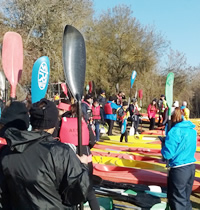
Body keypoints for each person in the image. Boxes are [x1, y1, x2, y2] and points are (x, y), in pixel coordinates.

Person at [0, 98, 90, 209]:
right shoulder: (61, 152)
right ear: (53, 125)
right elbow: (76, 194)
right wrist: (83, 166)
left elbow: (3, 195)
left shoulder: (8, 151)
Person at [60, 103, 100, 210]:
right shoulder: (84, 123)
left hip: (68, 160)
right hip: (86, 159)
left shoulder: (62, 122)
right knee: (89, 190)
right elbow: (92, 141)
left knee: (69, 189)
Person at [161, 107, 196, 210]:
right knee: (185, 199)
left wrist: (164, 144)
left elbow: (167, 154)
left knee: (177, 200)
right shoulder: (191, 130)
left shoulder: (175, 131)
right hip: (190, 167)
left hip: (179, 169)